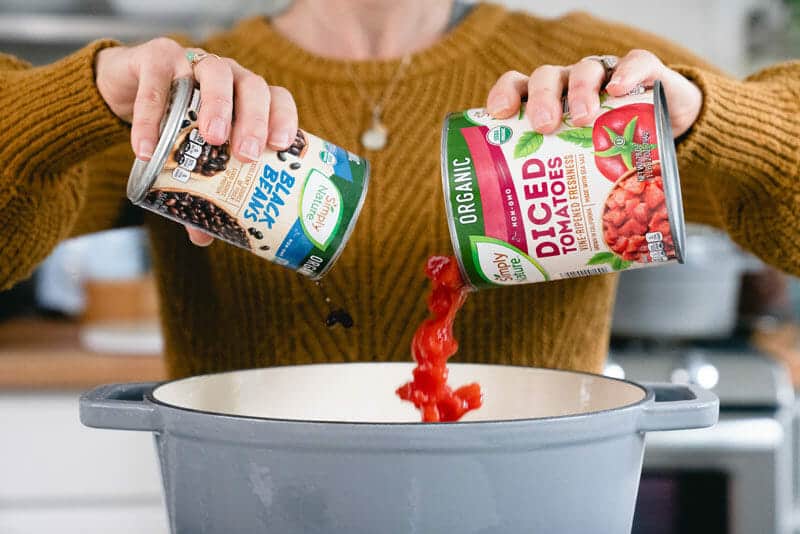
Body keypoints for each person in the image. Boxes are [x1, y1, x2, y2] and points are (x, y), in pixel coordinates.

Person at [0, 0, 798, 378]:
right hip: (254, 503)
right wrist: (85, 94)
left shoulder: (595, 67)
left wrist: (707, 119)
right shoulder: (189, 95)